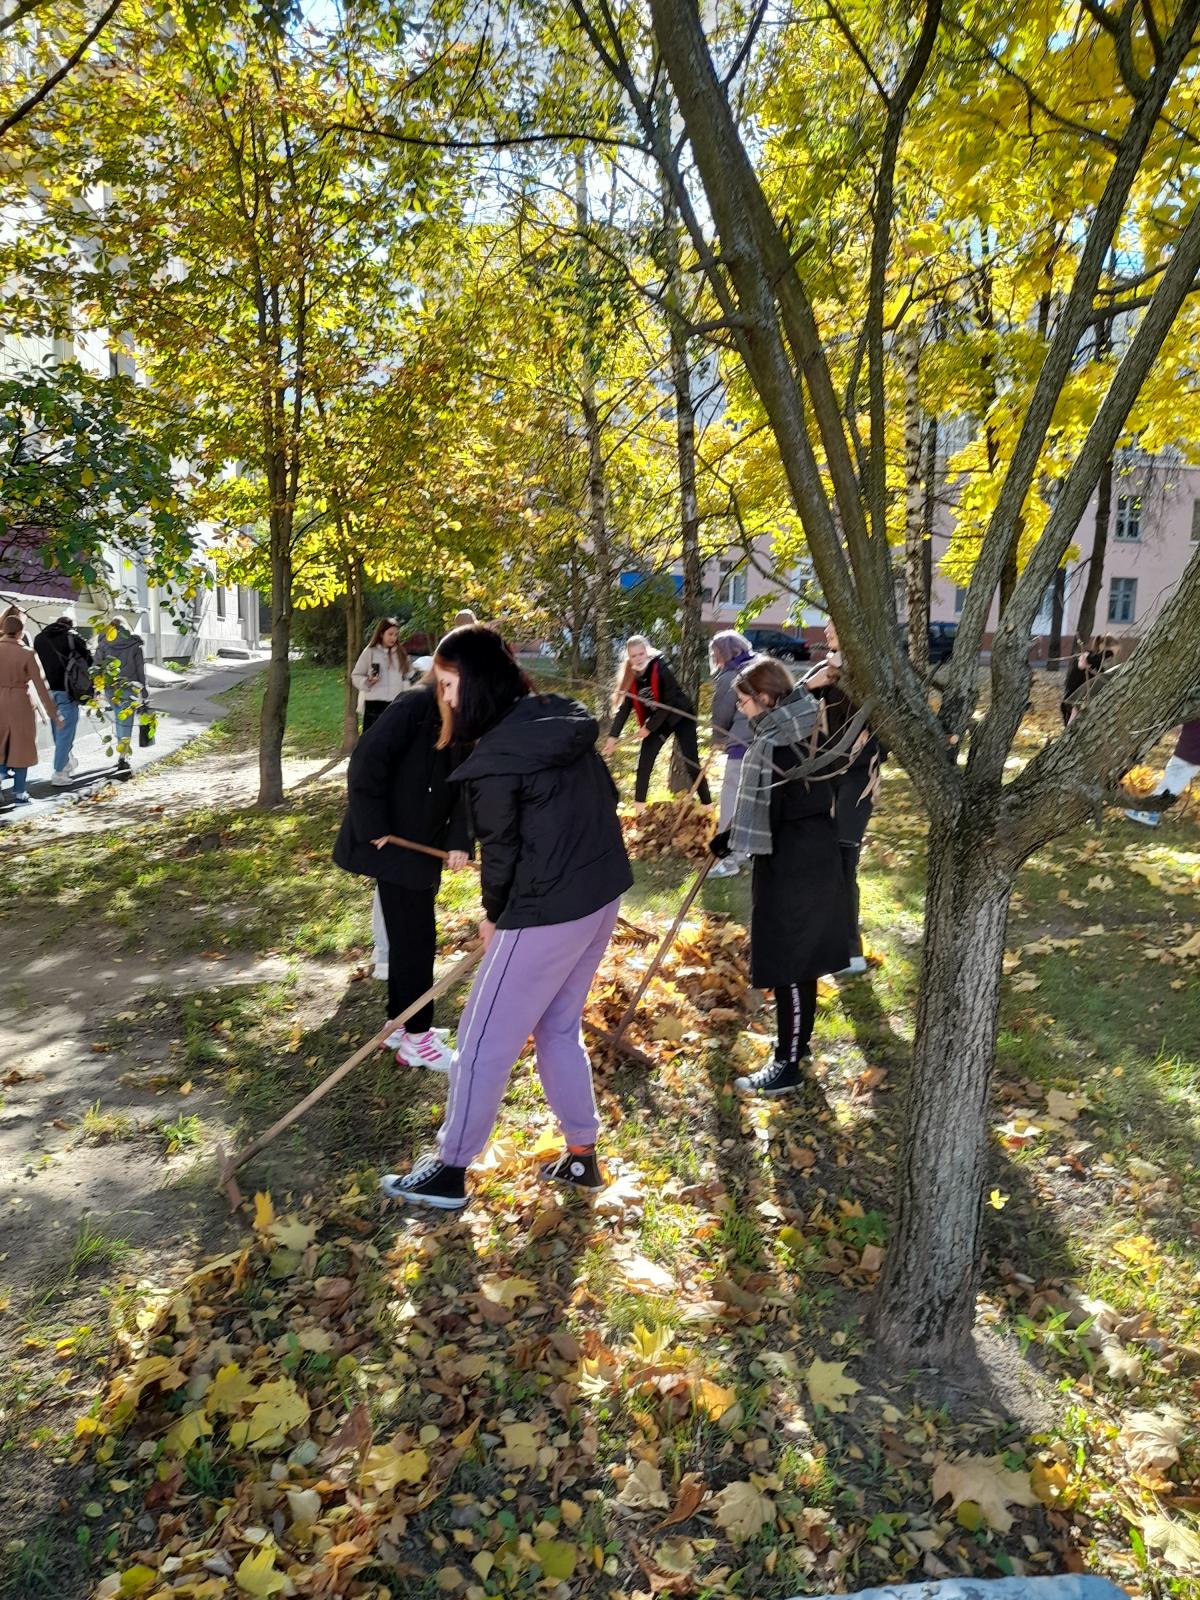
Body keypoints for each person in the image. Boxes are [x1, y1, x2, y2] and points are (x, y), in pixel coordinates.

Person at [381, 624, 632, 1210]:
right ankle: (582, 1155)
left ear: (473, 682)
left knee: (481, 1040)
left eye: (447, 685)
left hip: (546, 910)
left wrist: (497, 917)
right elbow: (605, 802)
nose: (443, 699)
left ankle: (449, 1170)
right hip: (600, 895)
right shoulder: (557, 719)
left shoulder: (497, 757)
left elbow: (502, 852)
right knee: (557, 1028)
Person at [709, 656, 849, 1098]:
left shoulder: (779, 745)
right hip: (803, 857)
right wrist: (731, 836)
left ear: (767, 699)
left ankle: (786, 1064)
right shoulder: (799, 726)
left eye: (746, 701)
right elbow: (779, 805)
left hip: (795, 866)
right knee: (799, 963)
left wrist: (732, 839)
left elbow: (779, 807)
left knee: (789, 965)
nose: (743, 710)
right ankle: (797, 1045)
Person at [333, 681, 470, 1070]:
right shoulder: (414, 706)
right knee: (416, 941)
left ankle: (400, 1022)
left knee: (411, 937)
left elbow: (464, 785)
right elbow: (365, 761)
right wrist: (373, 824)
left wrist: (459, 839)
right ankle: (417, 1039)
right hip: (392, 844)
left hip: (423, 844)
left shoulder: (463, 715)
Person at [803, 620, 884, 976]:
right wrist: (810, 686)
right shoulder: (823, 671)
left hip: (857, 780)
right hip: (824, 777)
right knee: (823, 860)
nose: (826, 631)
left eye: (834, 626)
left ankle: (850, 951)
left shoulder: (870, 673)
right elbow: (790, 712)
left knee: (844, 861)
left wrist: (873, 743)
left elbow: (888, 726)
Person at [603, 636, 712, 807]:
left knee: (691, 763)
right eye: (634, 656)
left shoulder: (661, 670)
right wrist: (613, 737)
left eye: (641, 654)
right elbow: (624, 710)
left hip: (680, 715)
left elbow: (667, 704)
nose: (638, 659)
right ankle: (639, 810)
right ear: (629, 658)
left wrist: (648, 727)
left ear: (647, 652)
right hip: (658, 720)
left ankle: (708, 806)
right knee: (645, 760)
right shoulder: (632, 677)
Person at [0, 612, 63, 804]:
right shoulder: (27, 653)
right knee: (22, 746)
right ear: (20, 632)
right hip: (21, 702)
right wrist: (54, 715)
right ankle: (20, 793)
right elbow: (41, 686)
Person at [708, 630, 756, 878]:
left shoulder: (730, 676)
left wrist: (717, 740)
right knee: (754, 800)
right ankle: (750, 851)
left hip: (741, 745)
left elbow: (721, 715)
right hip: (767, 746)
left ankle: (730, 860)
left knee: (730, 801)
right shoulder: (761, 664)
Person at [34, 611, 93, 786]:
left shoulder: (39, 638)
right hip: (67, 690)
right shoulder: (72, 638)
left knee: (57, 730)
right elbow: (88, 661)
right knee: (66, 732)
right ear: (69, 626)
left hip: (46, 690)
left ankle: (66, 762)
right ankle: (59, 773)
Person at [93, 617, 148, 773]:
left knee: (119, 719)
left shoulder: (103, 644)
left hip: (111, 688)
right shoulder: (134, 645)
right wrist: (143, 689)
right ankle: (123, 756)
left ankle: (122, 753)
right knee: (126, 722)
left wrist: (97, 688)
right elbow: (140, 669)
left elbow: (97, 667)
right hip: (129, 688)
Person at [1125, 719, 1200, 827]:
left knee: (1173, 785)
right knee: (1169, 782)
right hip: (1185, 750)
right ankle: (1149, 811)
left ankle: (1151, 813)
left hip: (1190, 753)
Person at [351, 619, 420, 734]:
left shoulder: (401, 653)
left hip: (396, 704)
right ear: (381, 633)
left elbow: (410, 675)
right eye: (390, 634)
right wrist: (367, 681)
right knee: (373, 743)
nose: (393, 638)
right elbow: (356, 675)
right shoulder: (370, 652)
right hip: (374, 705)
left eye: (396, 635)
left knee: (394, 741)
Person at [1061, 635, 1115, 726]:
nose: (1112, 658)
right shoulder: (1088, 656)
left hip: (1079, 700)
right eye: (1113, 653)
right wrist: (1108, 653)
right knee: (1071, 728)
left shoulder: (1098, 665)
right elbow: (1085, 662)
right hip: (1072, 701)